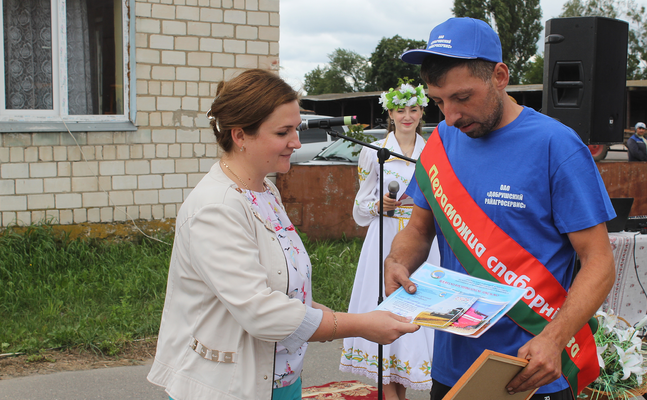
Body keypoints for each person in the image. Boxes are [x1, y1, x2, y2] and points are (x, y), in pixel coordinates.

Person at [146, 69, 419, 400]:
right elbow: (263, 313)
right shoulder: (215, 208)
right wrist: (361, 325)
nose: (297, 142)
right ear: (240, 136)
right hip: (228, 387)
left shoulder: (266, 192)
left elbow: (290, 295)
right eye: (283, 132)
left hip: (280, 380)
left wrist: (363, 318)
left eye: (296, 128)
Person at [384, 18, 616, 400]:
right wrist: (398, 260)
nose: (450, 116)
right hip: (451, 367)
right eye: (439, 101)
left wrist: (554, 339)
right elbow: (420, 228)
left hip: (532, 370)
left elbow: (599, 261)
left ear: (500, 75)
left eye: (462, 97)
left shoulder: (556, 145)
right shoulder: (442, 140)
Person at [339, 82, 441, 400]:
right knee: (383, 308)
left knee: (416, 311)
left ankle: (407, 384)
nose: (407, 116)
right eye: (400, 110)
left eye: (413, 109)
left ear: (422, 111)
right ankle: (389, 392)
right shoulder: (373, 152)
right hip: (383, 240)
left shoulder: (434, 151)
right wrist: (378, 205)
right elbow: (359, 206)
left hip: (424, 241)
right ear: (390, 114)